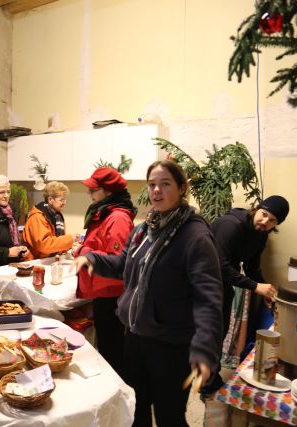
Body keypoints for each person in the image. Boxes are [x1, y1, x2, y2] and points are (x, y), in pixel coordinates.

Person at [74, 160, 223, 426]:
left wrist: (203, 348)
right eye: (152, 184)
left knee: (169, 417)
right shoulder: (145, 228)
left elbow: (208, 299)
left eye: (165, 184)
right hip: (135, 338)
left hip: (171, 345)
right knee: (135, 409)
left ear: (181, 188)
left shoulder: (195, 236)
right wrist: (94, 259)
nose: (157, 190)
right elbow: (123, 263)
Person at [210, 196, 289, 373]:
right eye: (264, 214)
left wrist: (265, 291)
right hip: (199, 283)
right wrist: (255, 287)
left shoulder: (260, 234)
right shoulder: (231, 225)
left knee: (219, 332)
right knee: (208, 333)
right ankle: (206, 382)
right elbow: (220, 266)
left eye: (272, 220)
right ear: (257, 209)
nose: (265, 221)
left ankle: (209, 377)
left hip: (221, 284)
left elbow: (252, 267)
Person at [74, 168, 137, 378]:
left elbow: (117, 260)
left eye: (93, 189)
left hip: (112, 294)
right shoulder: (106, 212)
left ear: (107, 191)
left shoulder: (117, 217)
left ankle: (120, 397)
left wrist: (85, 252)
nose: (89, 193)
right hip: (104, 290)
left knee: (113, 352)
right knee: (109, 348)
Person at [22, 181, 73, 259]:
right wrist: (70, 240)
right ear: (50, 199)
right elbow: (44, 246)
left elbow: (58, 243)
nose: (64, 203)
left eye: (65, 200)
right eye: (61, 200)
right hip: (34, 262)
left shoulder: (57, 216)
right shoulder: (37, 217)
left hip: (48, 259)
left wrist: (70, 246)